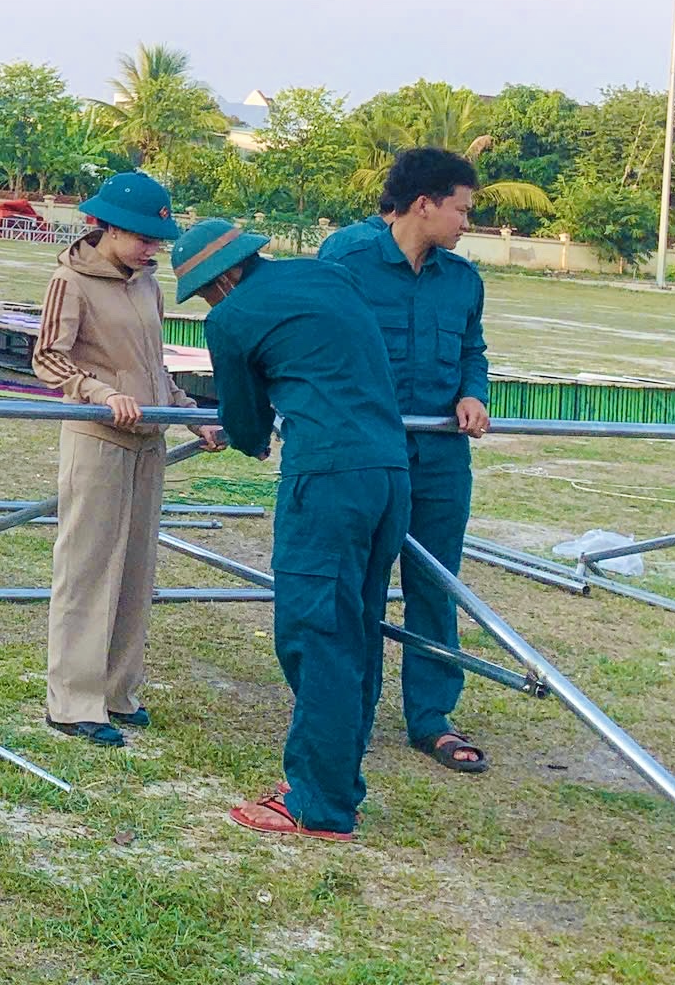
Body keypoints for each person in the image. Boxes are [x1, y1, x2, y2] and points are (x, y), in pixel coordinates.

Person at [175, 217, 410, 841]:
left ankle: (318, 804)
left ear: (225, 276)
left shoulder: (230, 318)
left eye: (205, 291)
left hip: (328, 479)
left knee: (316, 632)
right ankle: (336, 782)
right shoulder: (327, 275)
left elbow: (245, 421)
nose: (209, 303)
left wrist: (245, 437)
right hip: (391, 472)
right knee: (357, 627)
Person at [319, 147, 493, 776]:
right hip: (369, 455)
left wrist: (473, 392)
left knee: (435, 584)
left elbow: (473, 351)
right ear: (425, 204)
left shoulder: (463, 280)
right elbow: (320, 348)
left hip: (441, 457)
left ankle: (431, 716)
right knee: (358, 584)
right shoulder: (347, 263)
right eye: (461, 210)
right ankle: (350, 710)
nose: (467, 223)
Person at [31, 170, 219, 746]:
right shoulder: (71, 280)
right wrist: (100, 393)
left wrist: (190, 413)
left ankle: (117, 691)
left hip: (148, 440)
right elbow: (48, 358)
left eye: (156, 239)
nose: (150, 248)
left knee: (137, 570)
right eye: (140, 237)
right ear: (106, 227)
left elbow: (153, 367)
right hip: (98, 438)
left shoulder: (147, 286)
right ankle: (72, 700)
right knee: (87, 569)